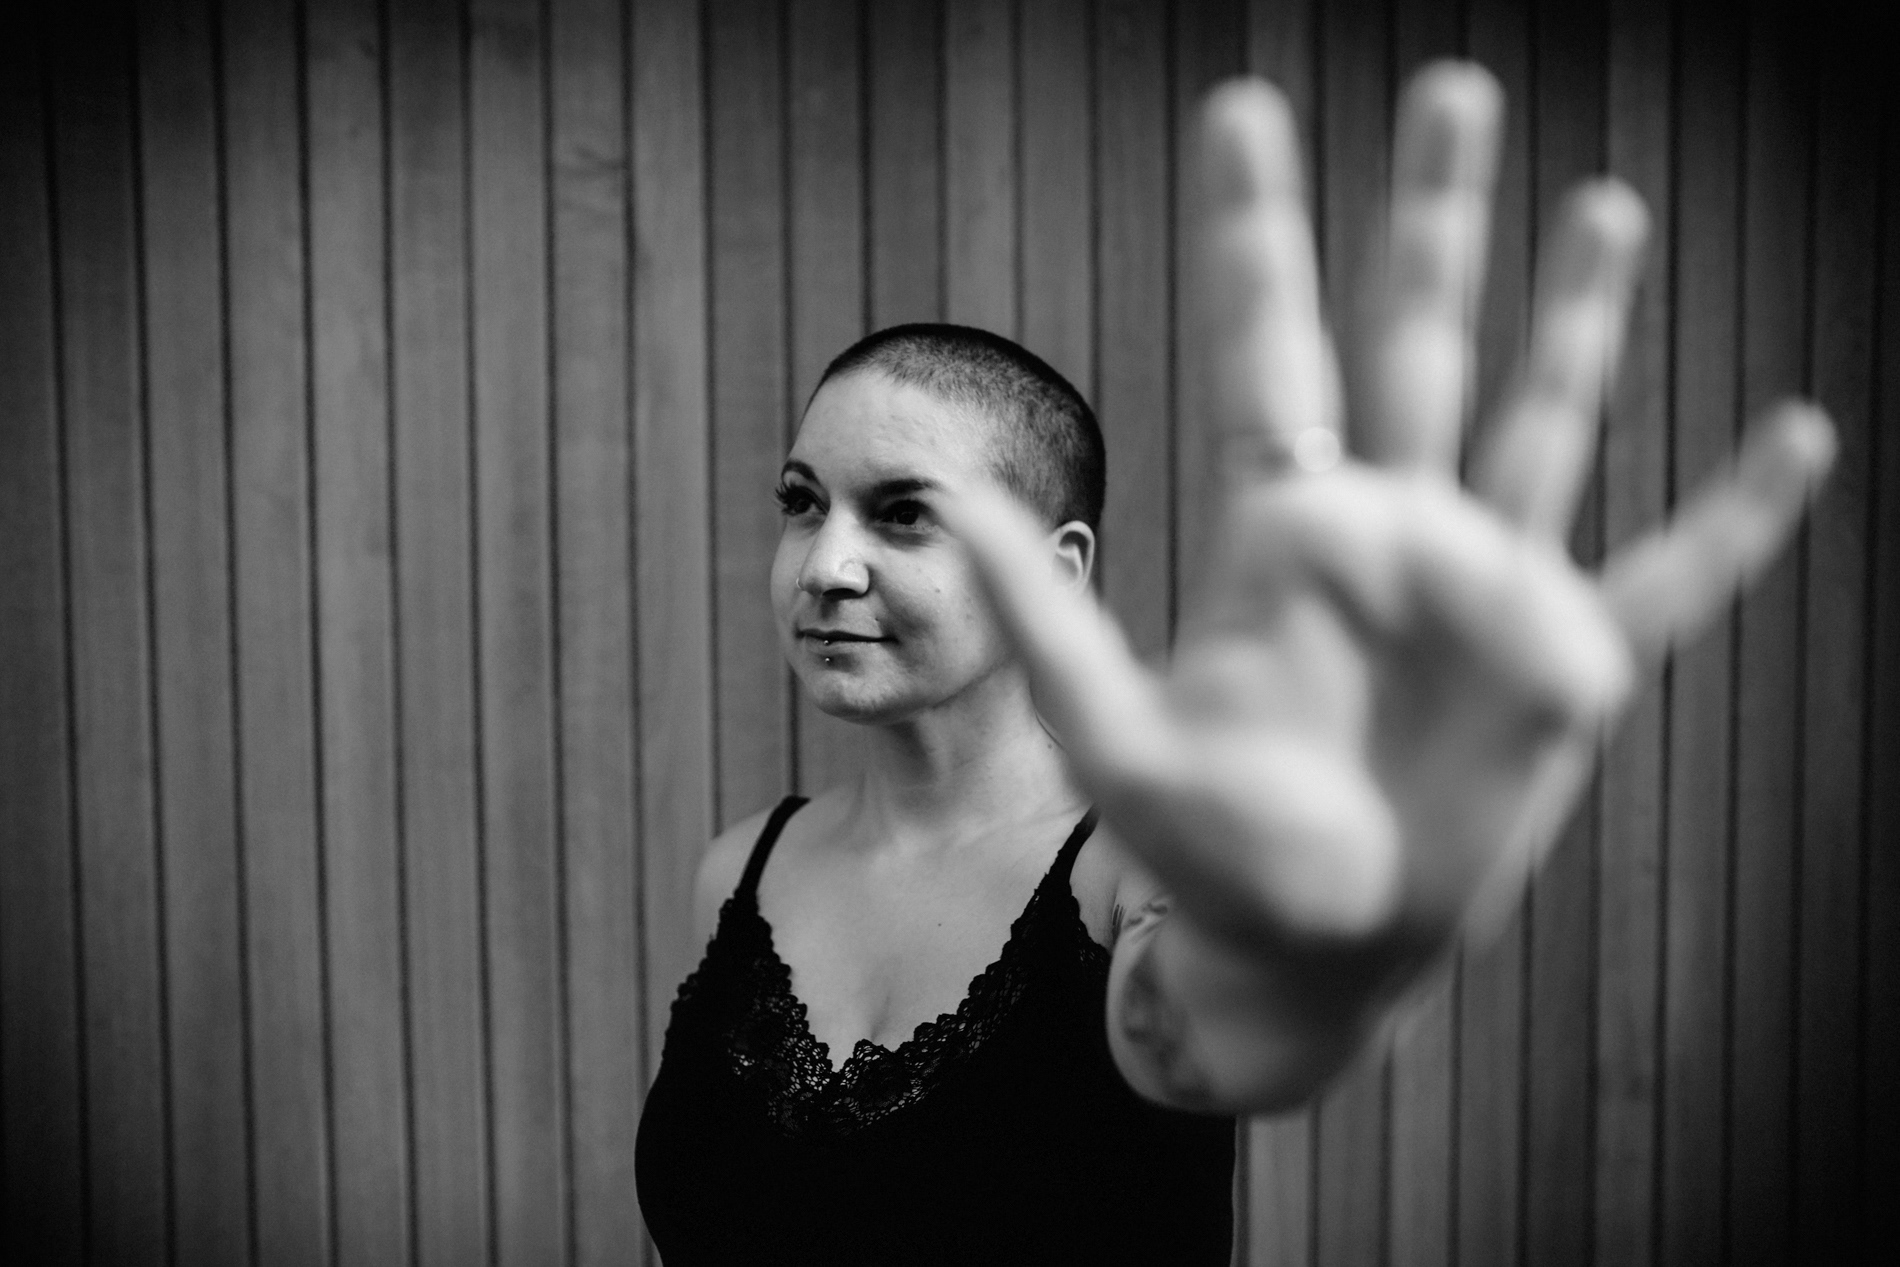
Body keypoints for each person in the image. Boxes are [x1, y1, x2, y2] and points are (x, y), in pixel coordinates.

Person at [633, 62, 1835, 1265]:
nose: (824, 565)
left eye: (901, 513)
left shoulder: (1142, 870)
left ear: (1056, 567)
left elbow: (1207, 1035)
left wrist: (1311, 973)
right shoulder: (740, 871)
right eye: (801, 502)